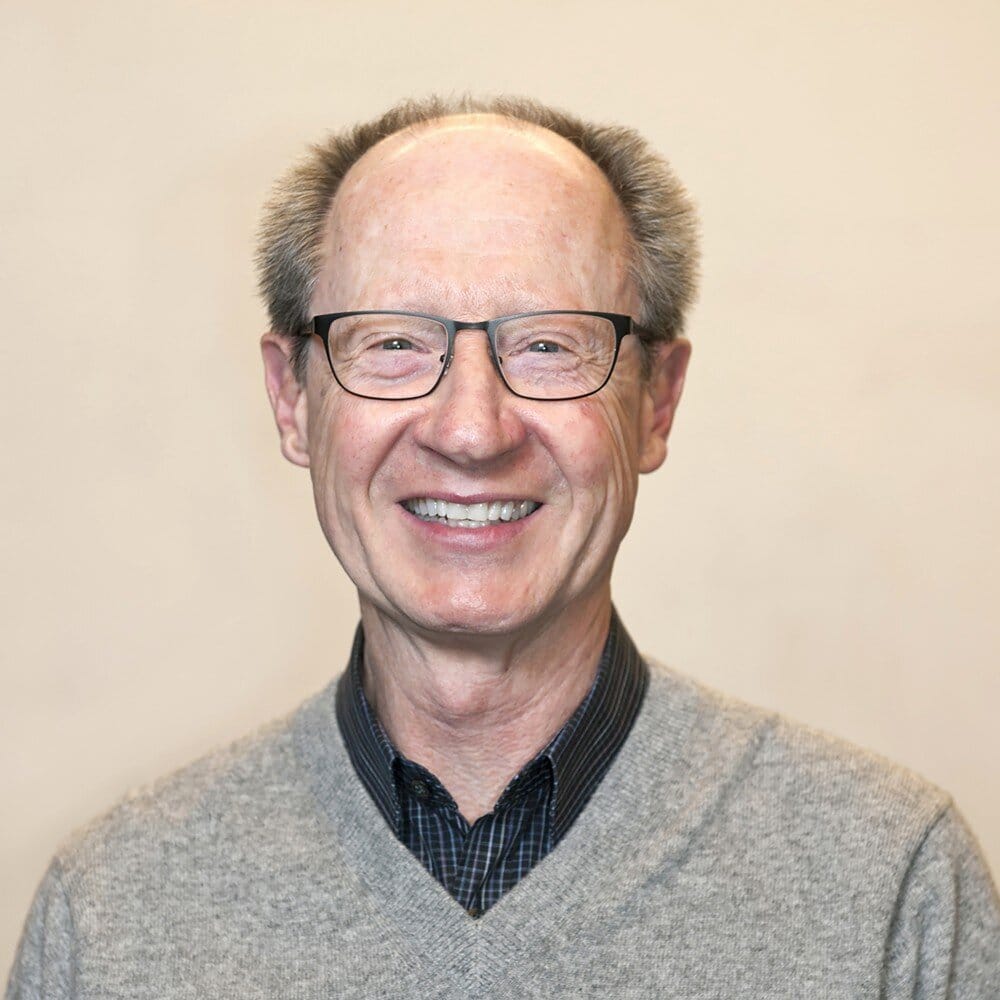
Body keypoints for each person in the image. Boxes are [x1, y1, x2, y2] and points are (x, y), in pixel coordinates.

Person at [6, 95, 999, 998]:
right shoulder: (115, 912)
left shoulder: (887, 884)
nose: (472, 429)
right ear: (291, 400)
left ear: (656, 401)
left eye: (549, 343)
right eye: (391, 341)